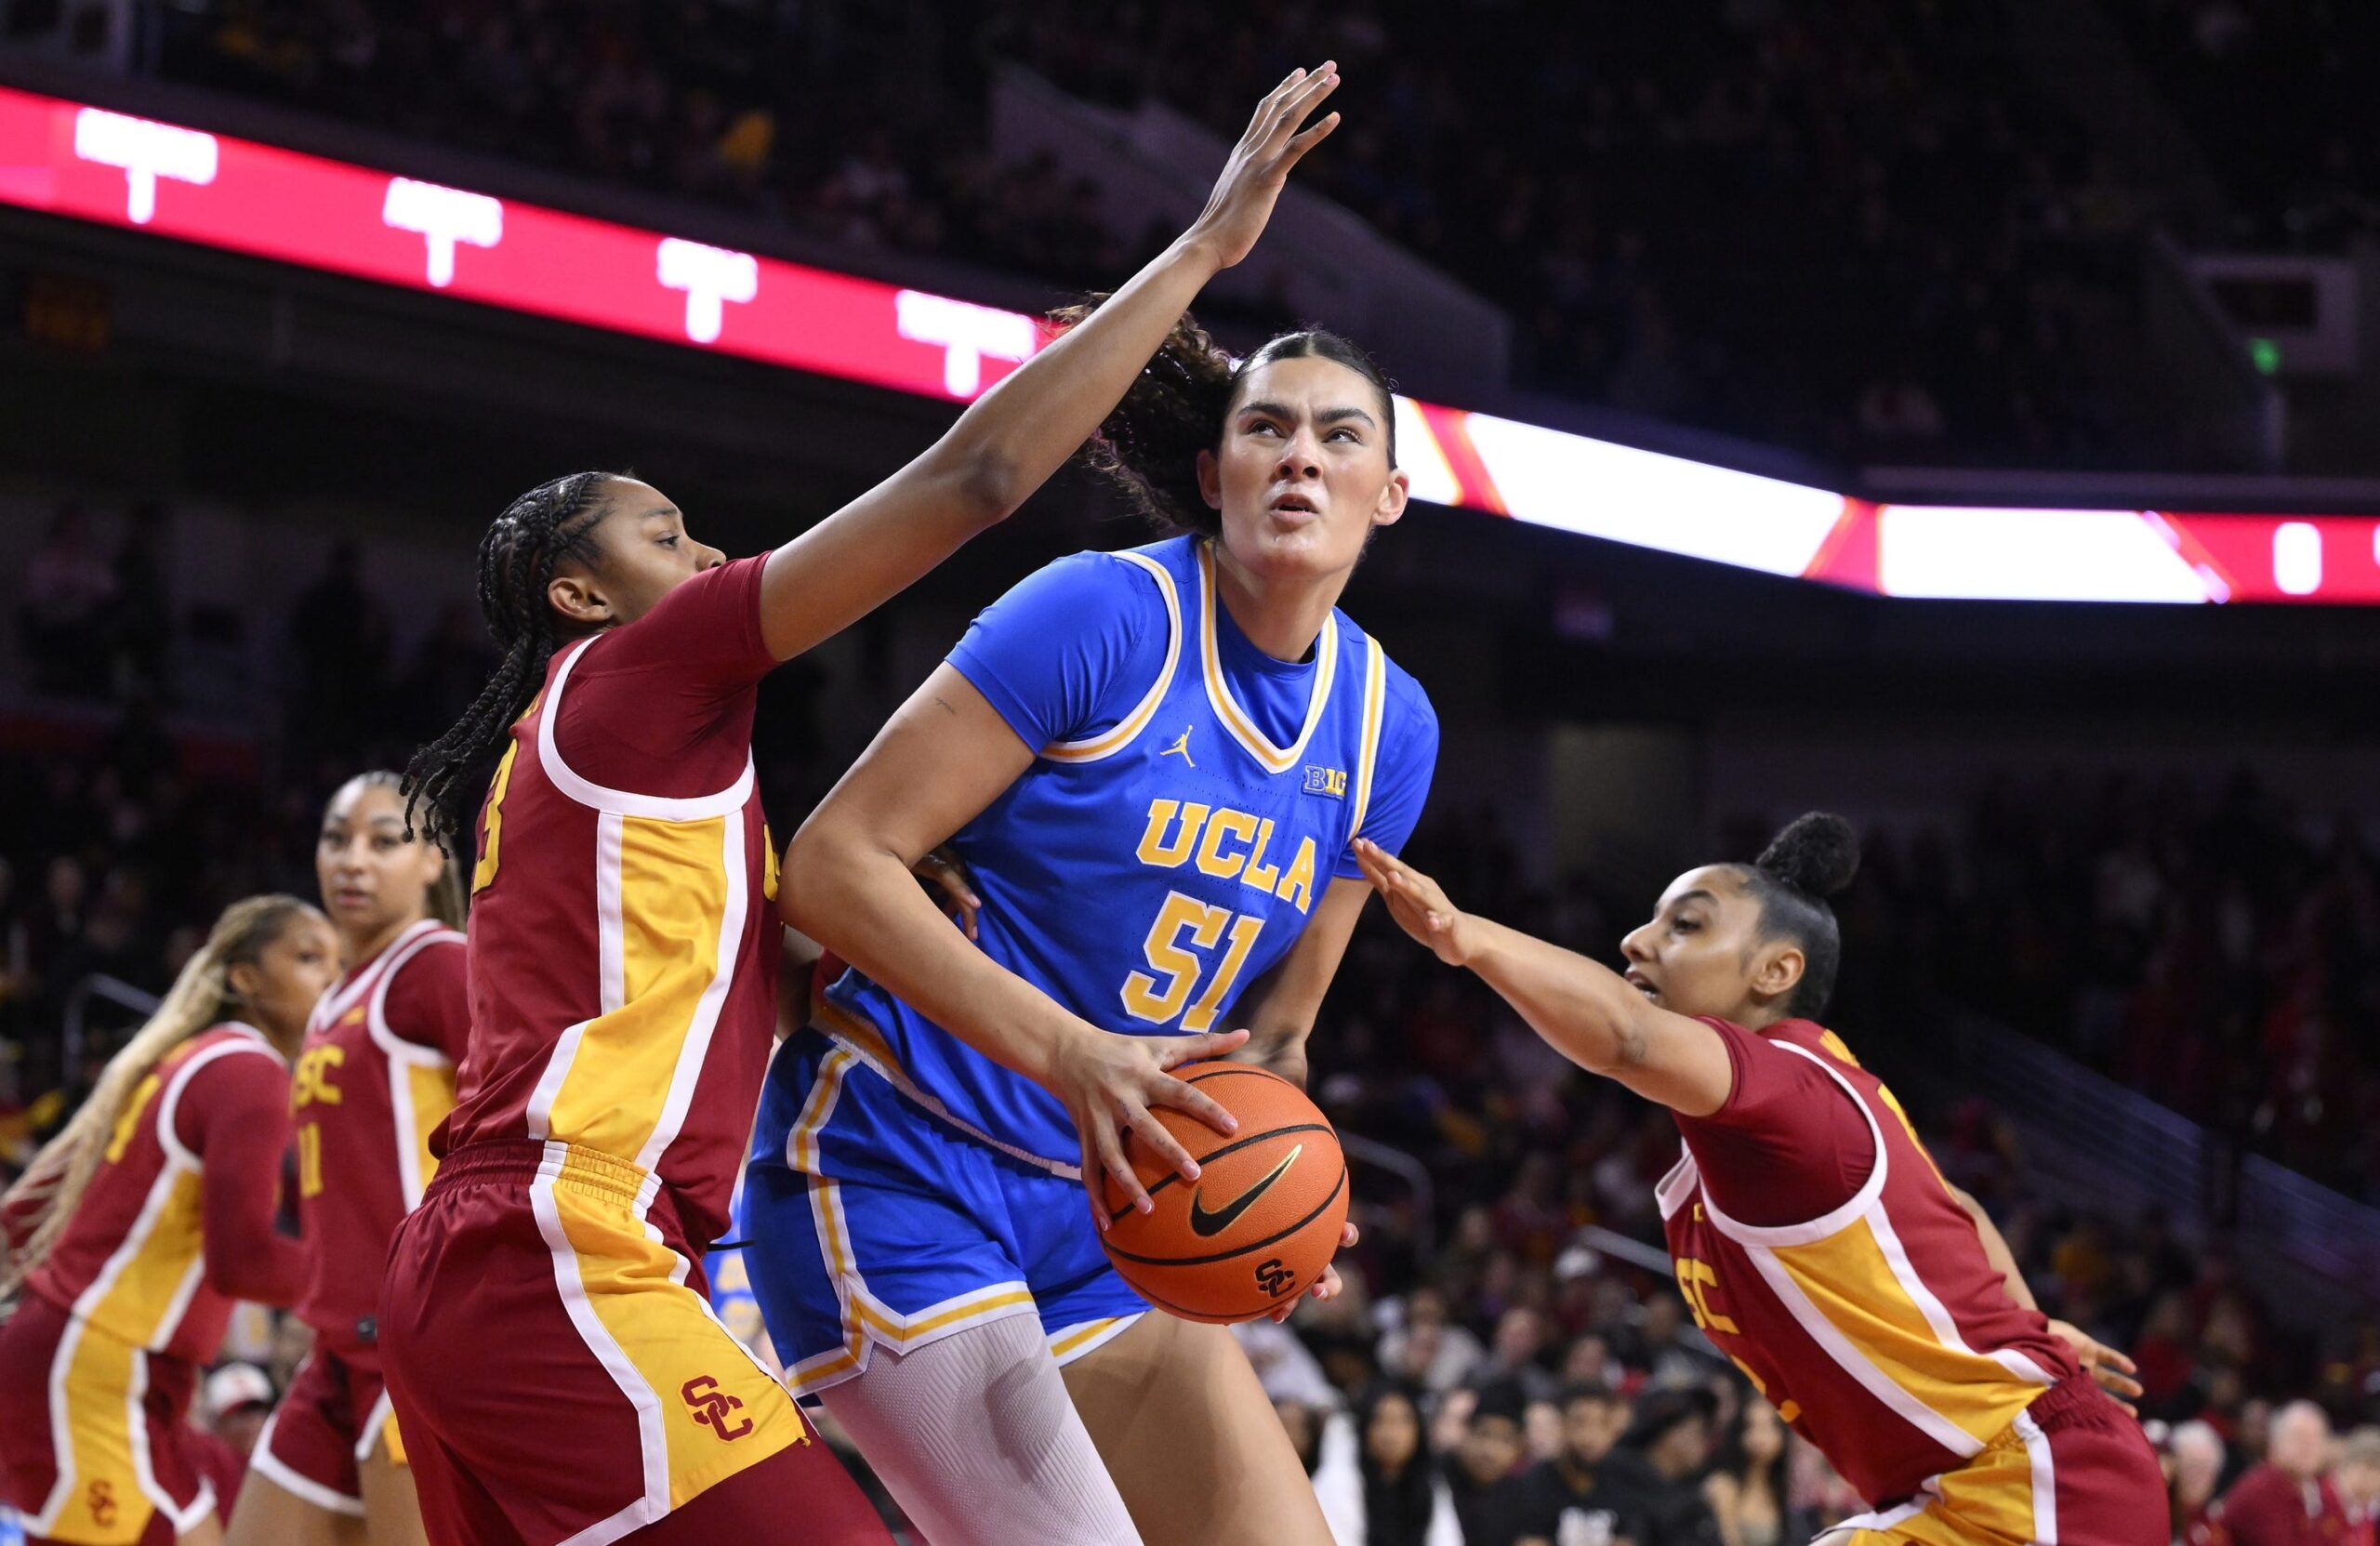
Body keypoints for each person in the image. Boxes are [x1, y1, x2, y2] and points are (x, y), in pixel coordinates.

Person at [380, 60, 1350, 1546]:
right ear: (582, 593)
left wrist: (821, 950)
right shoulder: (642, 668)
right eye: (666, 530)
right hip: (560, 1251)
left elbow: (691, 995)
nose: (707, 549)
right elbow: (978, 478)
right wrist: (1207, 249)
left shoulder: (590, 762)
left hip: (495, 1257)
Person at [744, 79, 1444, 1546]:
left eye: (1337, 435)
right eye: (1265, 428)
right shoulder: (1103, 617)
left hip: (1113, 1215)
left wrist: (1290, 1177)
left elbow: (1277, 1033)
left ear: (1391, 491)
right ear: (1213, 470)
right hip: (900, 1164)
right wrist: (1078, 1055)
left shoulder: (1392, 727)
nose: (1299, 454)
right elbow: (831, 864)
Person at [1353, 813, 2170, 1546]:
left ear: (1775, 971)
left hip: (2040, 1482)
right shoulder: (1792, 1106)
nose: (1636, 940)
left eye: (1685, 925)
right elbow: (1960, 1208)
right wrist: (2030, 1329)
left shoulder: (1791, 1095)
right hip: (1967, 1488)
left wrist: (1467, 936)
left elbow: (1628, 1038)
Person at [0, 896, 329, 1546]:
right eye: (308, 957)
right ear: (245, 978)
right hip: (95, 1364)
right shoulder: (248, 1070)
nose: (332, 978)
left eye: (338, 962)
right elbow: (246, 1259)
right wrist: (367, 1278)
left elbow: (30, 1209)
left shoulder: (195, 1057)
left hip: (120, 1368)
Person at [227, 774, 466, 1546]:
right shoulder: (333, 998)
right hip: (334, 1347)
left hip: (411, 1345)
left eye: (384, 840)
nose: (352, 861)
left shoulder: (439, 962)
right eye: (336, 838)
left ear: (433, 861)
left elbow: (529, 1124)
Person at [1311, 1384, 1461, 1546]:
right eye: (1380, 1420)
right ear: (1364, 1428)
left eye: (1403, 1421)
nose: (1391, 1432)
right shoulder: (1339, 1479)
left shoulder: (1431, 1484)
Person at [1507, 1381, 1640, 1546]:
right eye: (1580, 1422)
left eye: (1602, 1424)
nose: (1591, 1436)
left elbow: (1626, 1540)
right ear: (1560, 1425)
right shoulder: (1532, 1484)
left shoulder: (1624, 1483)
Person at [2202, 1402, 2346, 1546]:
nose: (2308, 1446)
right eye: (2299, 1437)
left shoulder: (2324, 1493)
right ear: (2275, 1444)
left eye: (2316, 1438)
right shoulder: (2258, 1490)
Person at [1599, 1389, 1721, 1546]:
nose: (1706, 1443)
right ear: (1672, 1435)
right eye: (1699, 1432)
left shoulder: (1697, 1488)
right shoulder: (1615, 1481)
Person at [1699, 1398, 1810, 1546]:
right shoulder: (1724, 1485)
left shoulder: (1784, 1491)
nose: (1761, 1437)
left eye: (1769, 1427)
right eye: (1753, 1426)